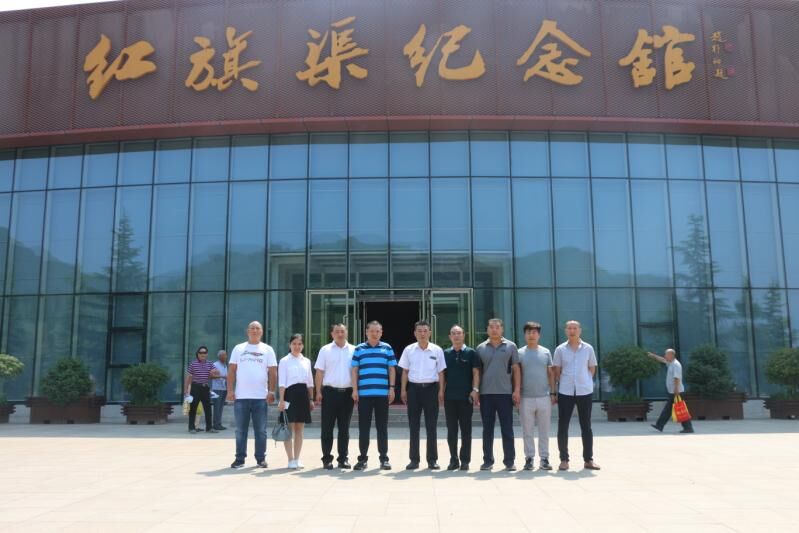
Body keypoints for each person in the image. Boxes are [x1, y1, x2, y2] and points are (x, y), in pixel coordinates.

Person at [227, 321, 277, 469]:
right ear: (247, 331)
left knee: (260, 431)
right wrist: (230, 390)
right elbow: (231, 371)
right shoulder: (238, 348)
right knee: (240, 431)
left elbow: (273, 372)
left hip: (260, 397)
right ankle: (239, 459)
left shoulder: (267, 349)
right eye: (252, 328)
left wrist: (272, 391)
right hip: (241, 397)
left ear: (261, 331)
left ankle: (261, 459)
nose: (255, 330)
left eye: (257, 328)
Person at [399, 320, 447, 470]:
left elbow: (441, 372)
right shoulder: (409, 350)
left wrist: (441, 391)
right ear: (415, 333)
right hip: (413, 390)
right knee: (413, 426)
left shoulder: (437, 350)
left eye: (425, 331)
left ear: (430, 333)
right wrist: (403, 390)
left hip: (431, 390)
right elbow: (405, 371)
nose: (422, 334)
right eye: (419, 331)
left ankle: (432, 460)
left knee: (431, 426)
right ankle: (414, 460)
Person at [553, 320, 600, 471]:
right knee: (563, 425)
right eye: (569, 328)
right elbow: (557, 370)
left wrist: (584, 380)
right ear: (565, 331)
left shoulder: (588, 348)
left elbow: (592, 368)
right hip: (565, 391)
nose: (572, 331)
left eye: (575, 328)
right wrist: (563, 382)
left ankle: (588, 459)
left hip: (584, 391)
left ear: (580, 330)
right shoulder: (560, 349)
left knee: (586, 426)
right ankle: (564, 459)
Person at [475, 318, 520, 471]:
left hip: (505, 394)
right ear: (487, 329)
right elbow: (477, 372)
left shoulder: (511, 346)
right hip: (486, 394)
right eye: (491, 327)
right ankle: (488, 460)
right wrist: (476, 390)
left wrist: (516, 390)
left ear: (502, 329)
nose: (494, 330)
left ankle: (509, 461)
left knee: (507, 429)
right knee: (487, 430)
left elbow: (516, 370)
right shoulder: (480, 348)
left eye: (497, 327)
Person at [351, 320, 397, 471]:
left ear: (381, 332)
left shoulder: (387, 348)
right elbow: (354, 370)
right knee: (363, 428)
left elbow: (391, 369)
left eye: (378, 331)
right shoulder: (359, 349)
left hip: (382, 394)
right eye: (372, 331)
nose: (375, 333)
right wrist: (355, 390)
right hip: (364, 395)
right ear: (366, 332)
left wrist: (391, 388)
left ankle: (384, 459)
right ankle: (362, 459)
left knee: (382, 427)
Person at [314, 323, 356, 470]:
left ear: (347, 333)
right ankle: (327, 459)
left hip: (347, 394)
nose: (340, 334)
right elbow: (319, 372)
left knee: (344, 428)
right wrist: (318, 392)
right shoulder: (325, 350)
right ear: (332, 334)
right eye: (337, 331)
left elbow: (356, 372)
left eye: (342, 331)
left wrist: (356, 391)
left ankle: (343, 459)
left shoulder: (354, 350)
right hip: (329, 393)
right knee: (327, 427)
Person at [441, 324, 481, 471]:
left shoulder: (471, 353)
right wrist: (441, 391)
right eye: (453, 333)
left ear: (464, 335)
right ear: (450, 336)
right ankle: (453, 459)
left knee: (466, 430)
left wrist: (475, 390)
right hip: (450, 397)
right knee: (451, 430)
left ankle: (465, 460)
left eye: (459, 333)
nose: (456, 336)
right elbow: (442, 375)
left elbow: (476, 372)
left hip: (466, 397)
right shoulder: (445, 353)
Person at [518, 322, 555, 471]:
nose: (531, 335)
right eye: (528, 332)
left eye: (534, 332)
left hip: (544, 397)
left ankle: (544, 458)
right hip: (525, 397)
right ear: (524, 335)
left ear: (539, 335)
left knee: (544, 430)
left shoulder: (546, 352)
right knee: (527, 431)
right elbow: (516, 375)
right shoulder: (519, 353)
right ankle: (529, 458)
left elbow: (551, 374)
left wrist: (553, 392)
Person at [278, 334, 315, 469]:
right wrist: (281, 400)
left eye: (299, 344)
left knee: (300, 429)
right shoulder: (284, 361)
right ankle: (290, 459)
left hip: (303, 395)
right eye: (294, 343)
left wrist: (311, 399)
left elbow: (310, 382)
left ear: (303, 346)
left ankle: (297, 458)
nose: (297, 346)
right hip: (289, 395)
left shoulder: (306, 361)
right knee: (289, 428)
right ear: (290, 345)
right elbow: (282, 382)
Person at [648, 349, 695, 434]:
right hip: (673, 391)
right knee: (670, 409)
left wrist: (676, 389)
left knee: (679, 409)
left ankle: (688, 427)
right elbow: (662, 360)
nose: (665, 356)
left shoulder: (676, 365)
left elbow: (677, 378)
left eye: (666, 354)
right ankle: (660, 425)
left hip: (677, 392)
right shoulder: (671, 363)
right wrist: (653, 356)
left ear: (671, 355)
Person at [184, 346, 219, 434]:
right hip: (195, 387)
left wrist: (214, 372)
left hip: (205, 388)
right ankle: (191, 428)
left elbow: (216, 372)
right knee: (193, 408)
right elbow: (188, 377)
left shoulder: (210, 363)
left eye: (204, 353)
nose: (203, 354)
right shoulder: (193, 364)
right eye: (201, 353)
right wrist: (186, 390)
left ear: (207, 354)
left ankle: (209, 428)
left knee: (208, 408)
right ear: (198, 354)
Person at [211, 350, 228, 431]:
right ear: (220, 356)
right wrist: (222, 377)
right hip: (217, 389)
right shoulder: (215, 365)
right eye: (224, 355)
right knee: (217, 407)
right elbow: (211, 376)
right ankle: (215, 424)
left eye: (226, 355)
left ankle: (219, 423)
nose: (226, 357)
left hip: (224, 388)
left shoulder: (225, 365)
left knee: (221, 407)